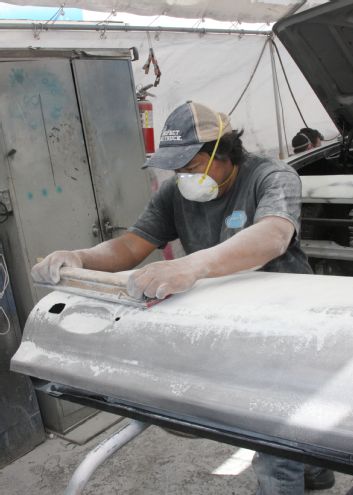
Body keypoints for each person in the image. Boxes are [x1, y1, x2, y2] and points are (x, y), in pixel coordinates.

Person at [32, 101, 334, 495]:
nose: (183, 177)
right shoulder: (177, 193)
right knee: (276, 422)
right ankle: (315, 473)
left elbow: (272, 236)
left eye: (191, 167)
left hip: (285, 320)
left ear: (223, 154)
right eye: (177, 170)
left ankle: (296, 476)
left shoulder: (272, 176)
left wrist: (192, 266)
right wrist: (81, 258)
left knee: (272, 432)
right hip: (222, 318)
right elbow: (130, 246)